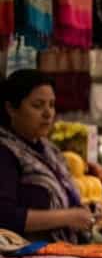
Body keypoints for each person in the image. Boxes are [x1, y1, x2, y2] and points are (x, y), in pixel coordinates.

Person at [0, 70, 93, 243]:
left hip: (66, 253)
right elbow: (5, 215)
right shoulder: (5, 153)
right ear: (11, 109)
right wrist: (67, 217)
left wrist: (86, 213)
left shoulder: (49, 149)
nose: (48, 113)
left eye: (51, 105)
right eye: (38, 105)